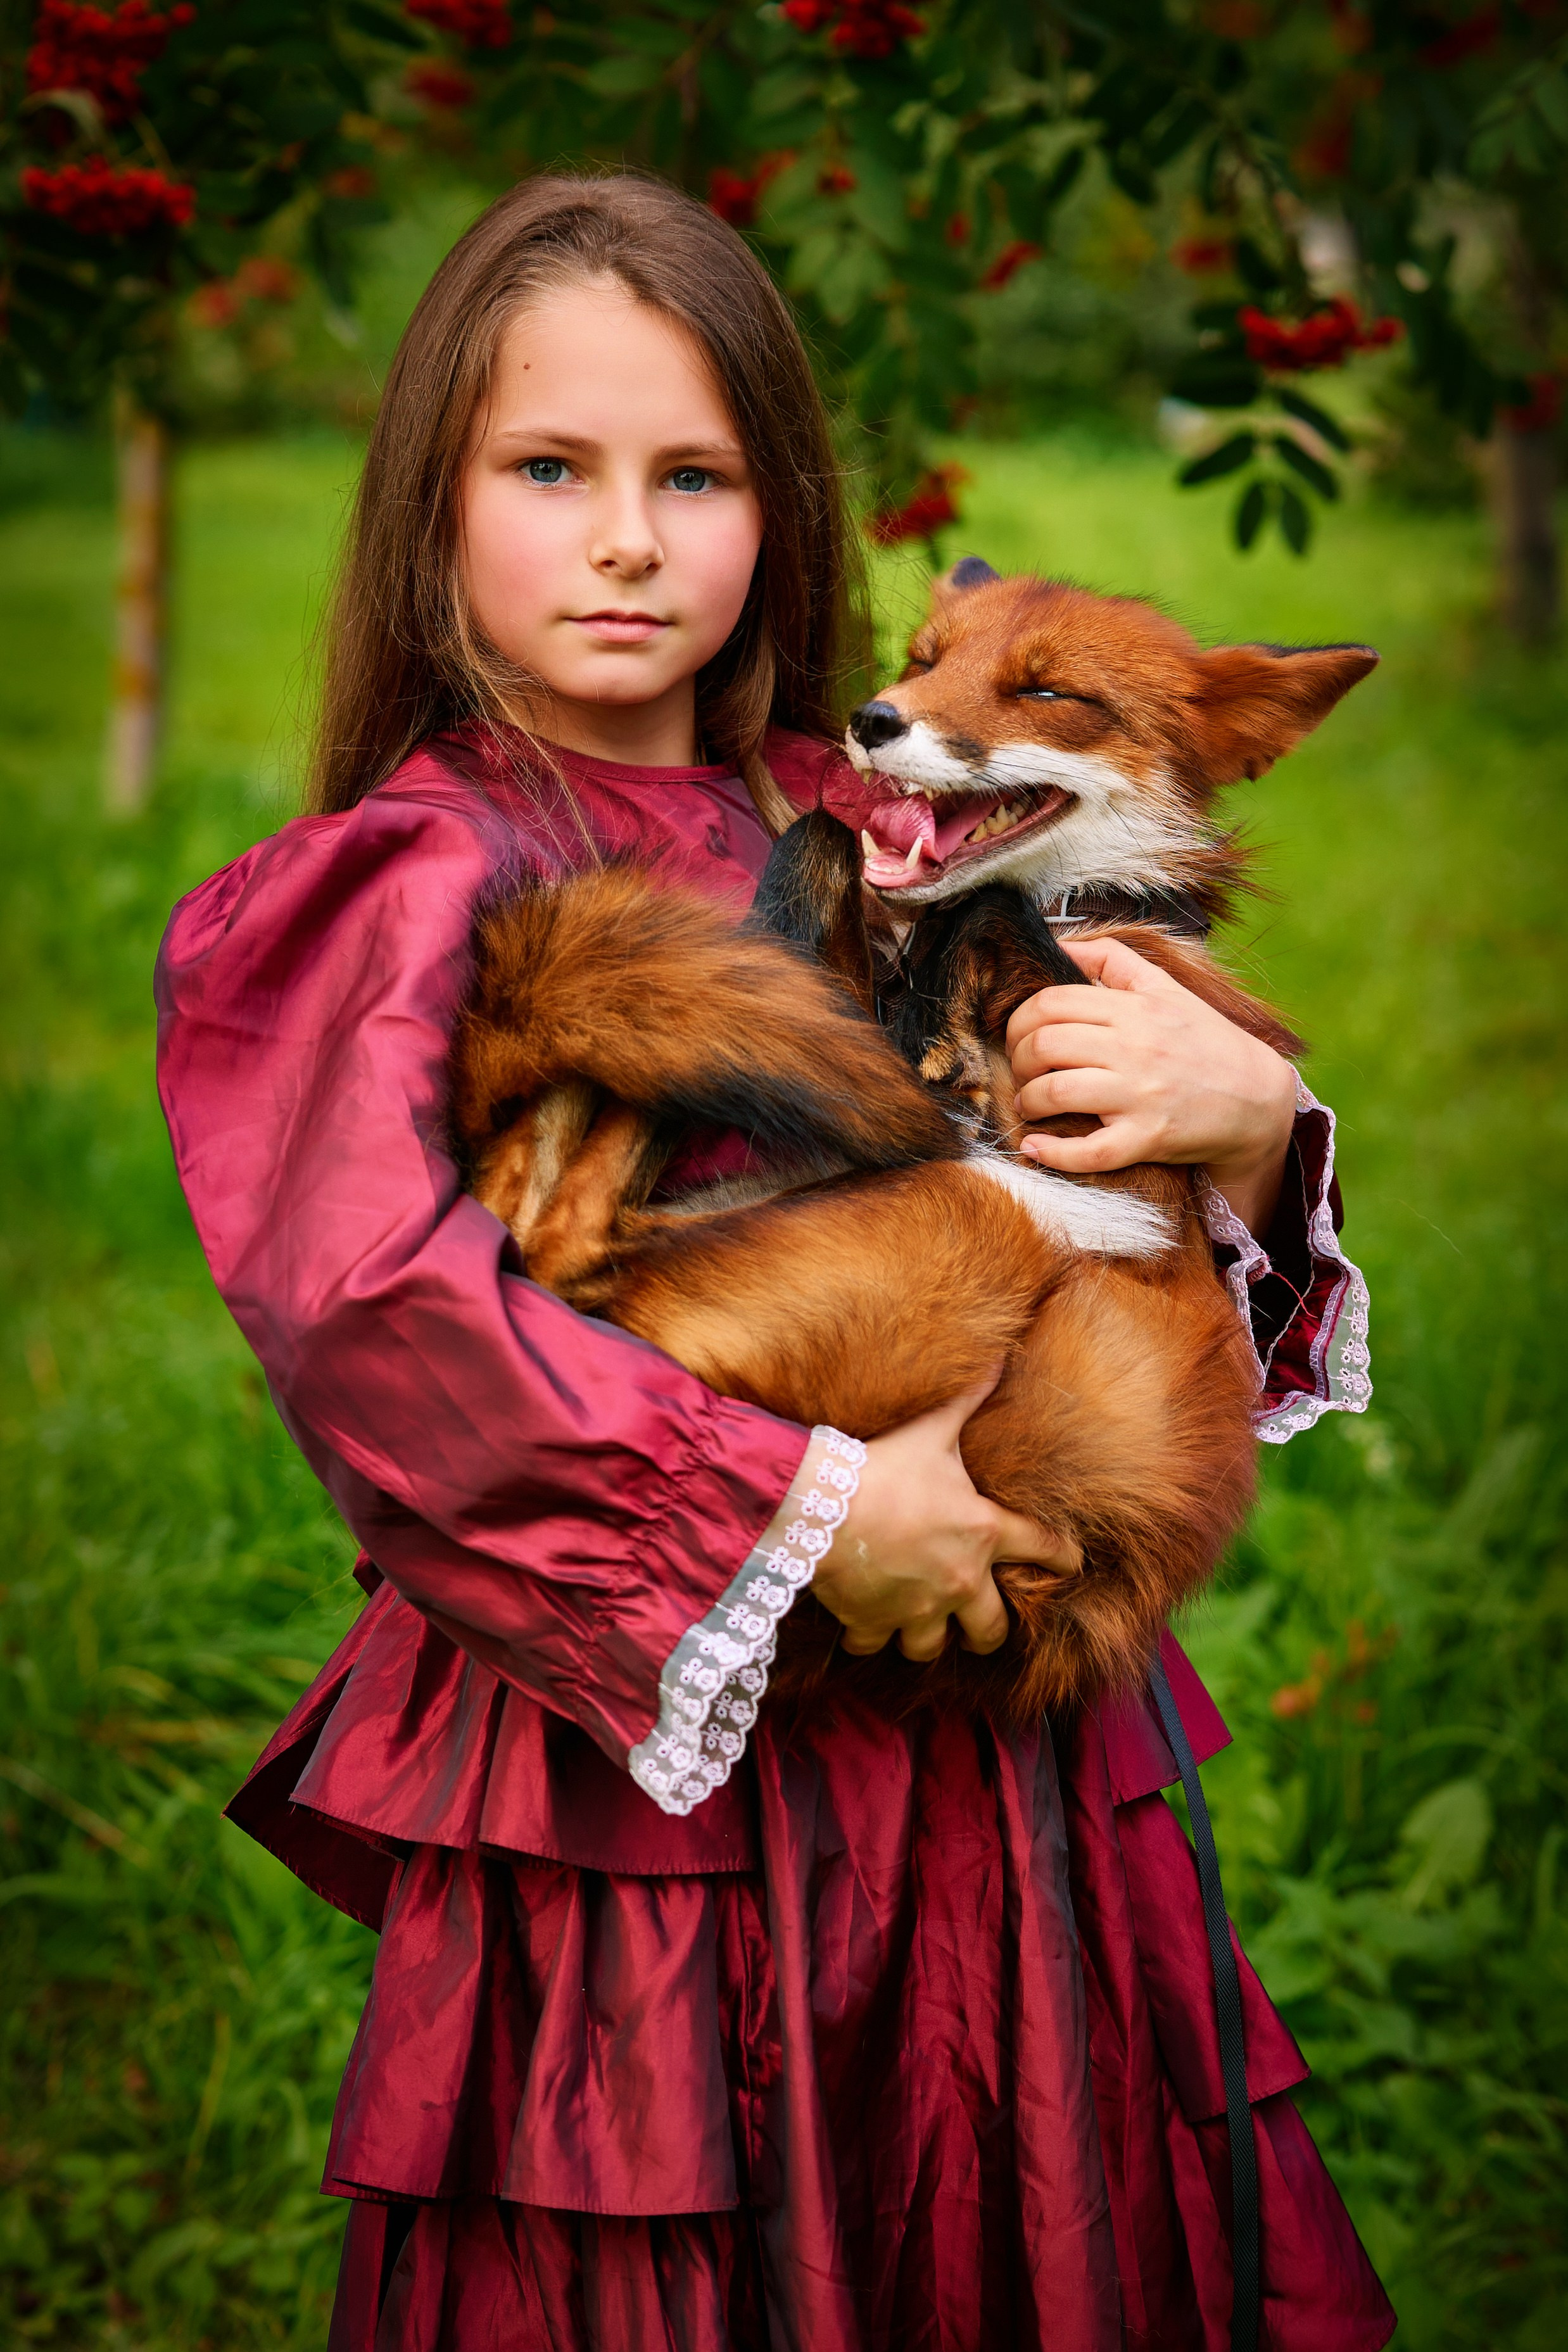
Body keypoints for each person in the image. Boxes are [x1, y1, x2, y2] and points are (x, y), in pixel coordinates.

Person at [155, 173, 1391, 2352]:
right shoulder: (402, 877)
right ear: (432, 499)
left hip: (993, 1770)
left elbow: (1091, 1180)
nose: (628, 541)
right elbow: (379, 1315)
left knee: (1007, 2172)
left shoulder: (892, 816)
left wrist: (1245, 1122)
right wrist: (804, 1510)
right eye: (550, 470)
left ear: (782, 504)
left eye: (695, 476)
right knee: (677, 2230)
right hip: (641, 1766)